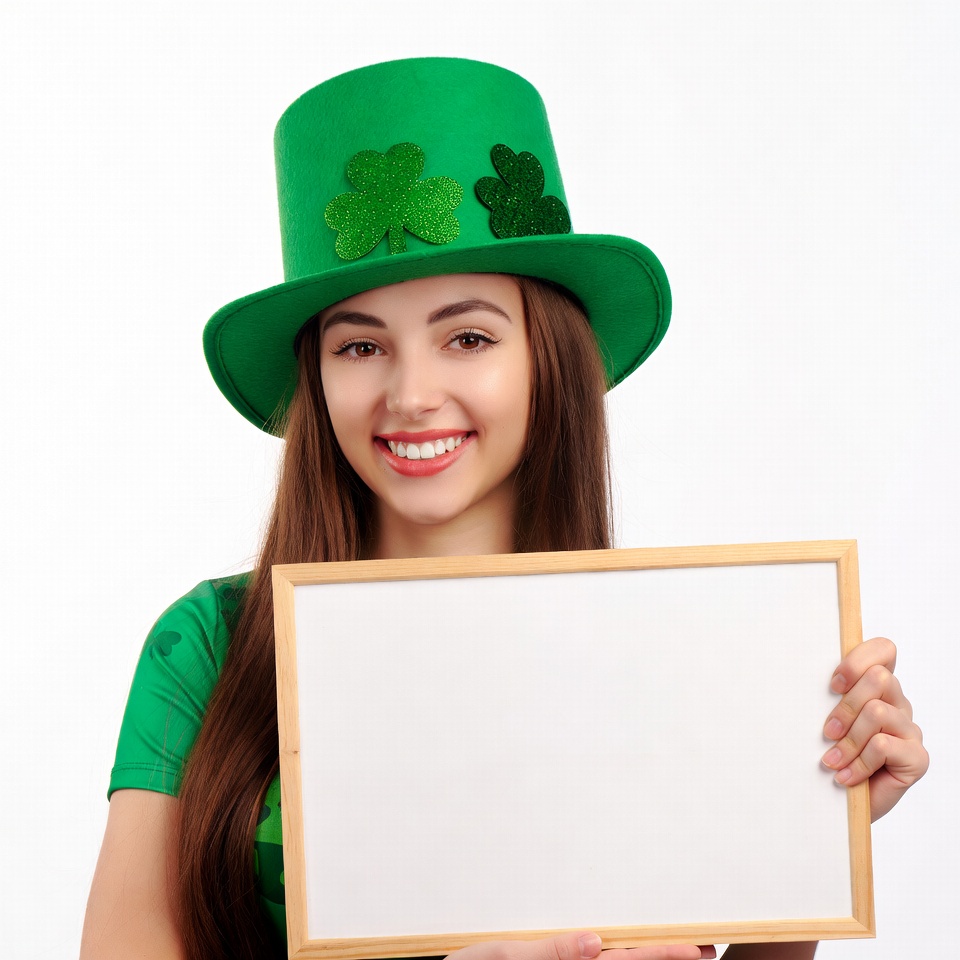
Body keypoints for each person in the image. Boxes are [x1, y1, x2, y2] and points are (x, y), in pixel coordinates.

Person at [79, 58, 928, 960]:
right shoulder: (209, 646)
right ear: (316, 377)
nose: (410, 393)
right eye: (360, 346)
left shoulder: (681, 654)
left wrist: (809, 822)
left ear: (546, 357)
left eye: (469, 337)